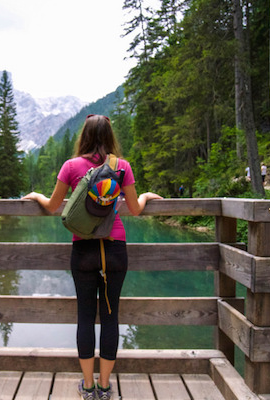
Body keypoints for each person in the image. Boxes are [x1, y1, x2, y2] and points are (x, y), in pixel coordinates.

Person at [22, 114, 162, 400]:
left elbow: (52, 206)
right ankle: (105, 386)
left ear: (84, 136)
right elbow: (135, 209)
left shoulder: (71, 166)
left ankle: (87, 387)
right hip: (115, 249)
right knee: (110, 317)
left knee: (85, 318)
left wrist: (36, 195)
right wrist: (146, 195)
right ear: (110, 136)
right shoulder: (122, 167)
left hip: (84, 250)